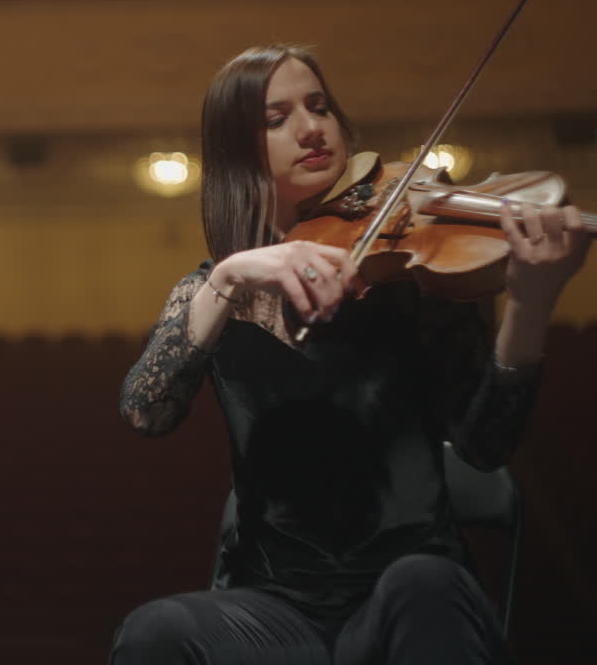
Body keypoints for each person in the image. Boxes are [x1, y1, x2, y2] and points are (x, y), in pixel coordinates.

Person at [111, 45, 589, 664]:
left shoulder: (416, 274)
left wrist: (530, 303)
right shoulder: (215, 292)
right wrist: (228, 277)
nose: (312, 128)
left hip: (408, 600)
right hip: (274, 613)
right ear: (237, 151)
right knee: (153, 631)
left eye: (320, 107)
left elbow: (485, 446)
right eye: (277, 118)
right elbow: (146, 410)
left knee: (424, 583)